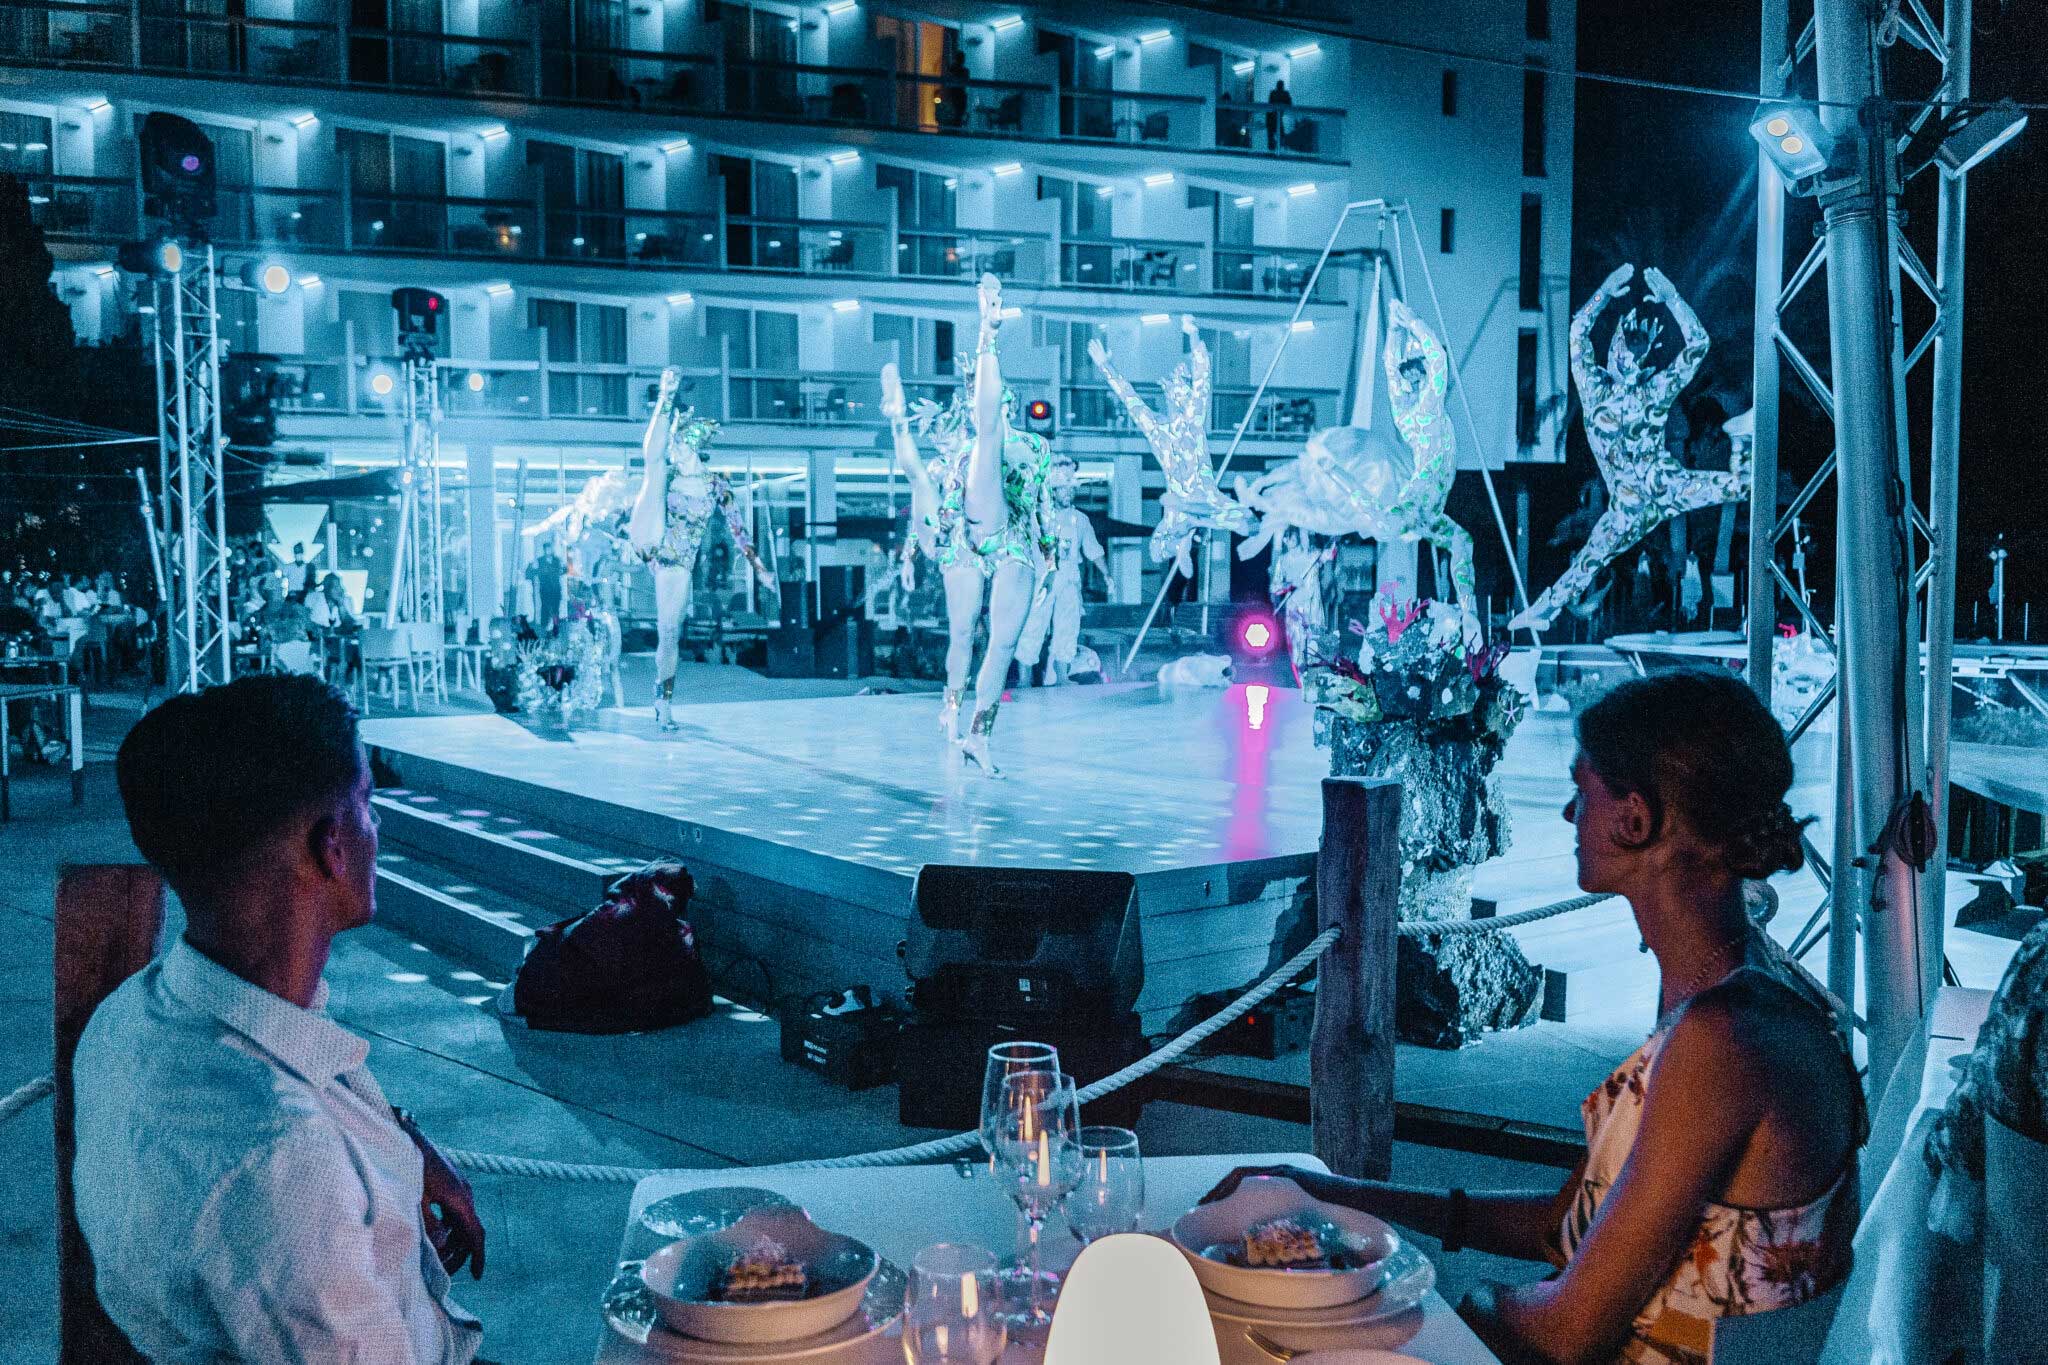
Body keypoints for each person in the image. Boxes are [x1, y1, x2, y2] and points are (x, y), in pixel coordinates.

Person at [1206, 668, 1862, 1365]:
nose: (1570, 815)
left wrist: (1461, 1303)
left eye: (1583, 790)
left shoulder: (1722, 1042)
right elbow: (1565, 1226)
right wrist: (1327, 1193)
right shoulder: (1746, 1002)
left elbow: (1563, 1334)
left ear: (1635, 820)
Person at [74, 676, 486, 1362]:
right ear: (333, 846)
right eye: (366, 805)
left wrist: (398, 1145)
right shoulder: (285, 1166)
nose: (376, 829)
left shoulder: (130, 1016)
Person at [1511, 265, 1748, 631]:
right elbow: (1579, 331)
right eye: (1626, 349)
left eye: (1636, 353)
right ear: (1614, 351)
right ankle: (1546, 608)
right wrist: (1609, 293)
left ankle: (1740, 438)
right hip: (1637, 502)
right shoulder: (1603, 389)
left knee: (1741, 487)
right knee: (1589, 558)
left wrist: (1664, 298)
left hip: (1656, 490)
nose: (1631, 360)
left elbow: (1697, 344)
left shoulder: (1637, 390)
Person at [625, 369, 776, 729]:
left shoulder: (715, 486)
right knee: (652, 469)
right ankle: (664, 398)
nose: (673, 451)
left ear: (691, 447)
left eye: (677, 445)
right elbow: (654, 460)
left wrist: (759, 568)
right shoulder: (668, 476)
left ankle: (663, 698)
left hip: (682, 563)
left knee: (669, 634)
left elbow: (739, 530)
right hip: (662, 550)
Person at [1014, 460, 1109, 686]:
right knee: (1033, 626)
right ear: (1052, 491)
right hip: (1043, 579)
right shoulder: (1037, 517)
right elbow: (1027, 546)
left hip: (1069, 579)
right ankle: (1024, 679)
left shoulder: (1080, 520)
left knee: (1068, 627)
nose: (1068, 493)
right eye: (1063, 489)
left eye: (1071, 489)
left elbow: (1093, 550)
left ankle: (1062, 677)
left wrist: (1106, 574)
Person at [1266, 77, 1293, 150]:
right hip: (1274, 117)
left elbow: (1270, 104)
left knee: (1272, 135)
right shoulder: (1284, 94)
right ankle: (1278, 149)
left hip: (1272, 117)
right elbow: (1289, 104)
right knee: (1278, 133)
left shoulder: (1274, 93)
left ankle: (1274, 150)